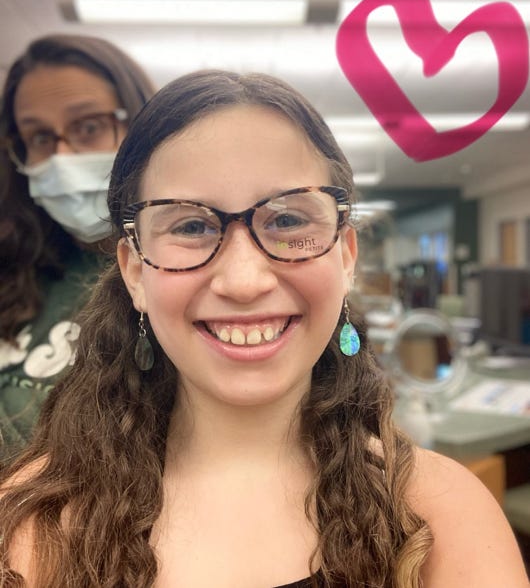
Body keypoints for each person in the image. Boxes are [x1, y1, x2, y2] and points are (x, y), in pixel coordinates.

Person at [0, 69, 527, 587]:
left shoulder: (443, 518)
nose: (244, 281)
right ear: (135, 271)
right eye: (190, 226)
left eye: (288, 220)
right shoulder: (33, 529)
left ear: (346, 256)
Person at [0, 34, 156, 459]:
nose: (62, 157)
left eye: (89, 127)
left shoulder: (179, 277)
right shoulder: (14, 265)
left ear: (140, 126)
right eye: (39, 137)